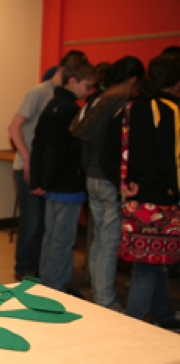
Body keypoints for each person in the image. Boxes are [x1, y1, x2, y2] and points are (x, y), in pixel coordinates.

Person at [70, 56, 145, 310]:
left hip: (92, 177)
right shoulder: (121, 106)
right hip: (109, 179)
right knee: (108, 241)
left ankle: (98, 291)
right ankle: (104, 299)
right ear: (133, 80)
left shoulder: (97, 101)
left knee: (99, 239)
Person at [8, 50, 88, 281]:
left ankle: (42, 272)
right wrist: (28, 159)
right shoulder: (39, 92)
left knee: (46, 226)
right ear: (65, 72)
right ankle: (24, 269)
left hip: (45, 168)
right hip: (27, 166)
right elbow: (14, 127)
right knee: (32, 223)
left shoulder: (64, 98)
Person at [119, 53, 180, 330]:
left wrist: (124, 180)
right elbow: (174, 160)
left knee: (155, 263)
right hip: (162, 200)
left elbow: (122, 149)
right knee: (148, 266)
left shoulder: (133, 106)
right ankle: (134, 328)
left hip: (135, 198)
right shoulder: (172, 110)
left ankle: (164, 316)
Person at [30, 57, 96, 293]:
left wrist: (40, 179)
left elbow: (40, 145)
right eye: (88, 86)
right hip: (68, 185)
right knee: (63, 239)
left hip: (53, 184)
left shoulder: (52, 104)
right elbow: (57, 150)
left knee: (51, 237)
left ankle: (48, 280)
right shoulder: (71, 110)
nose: (89, 92)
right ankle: (56, 285)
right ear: (74, 81)